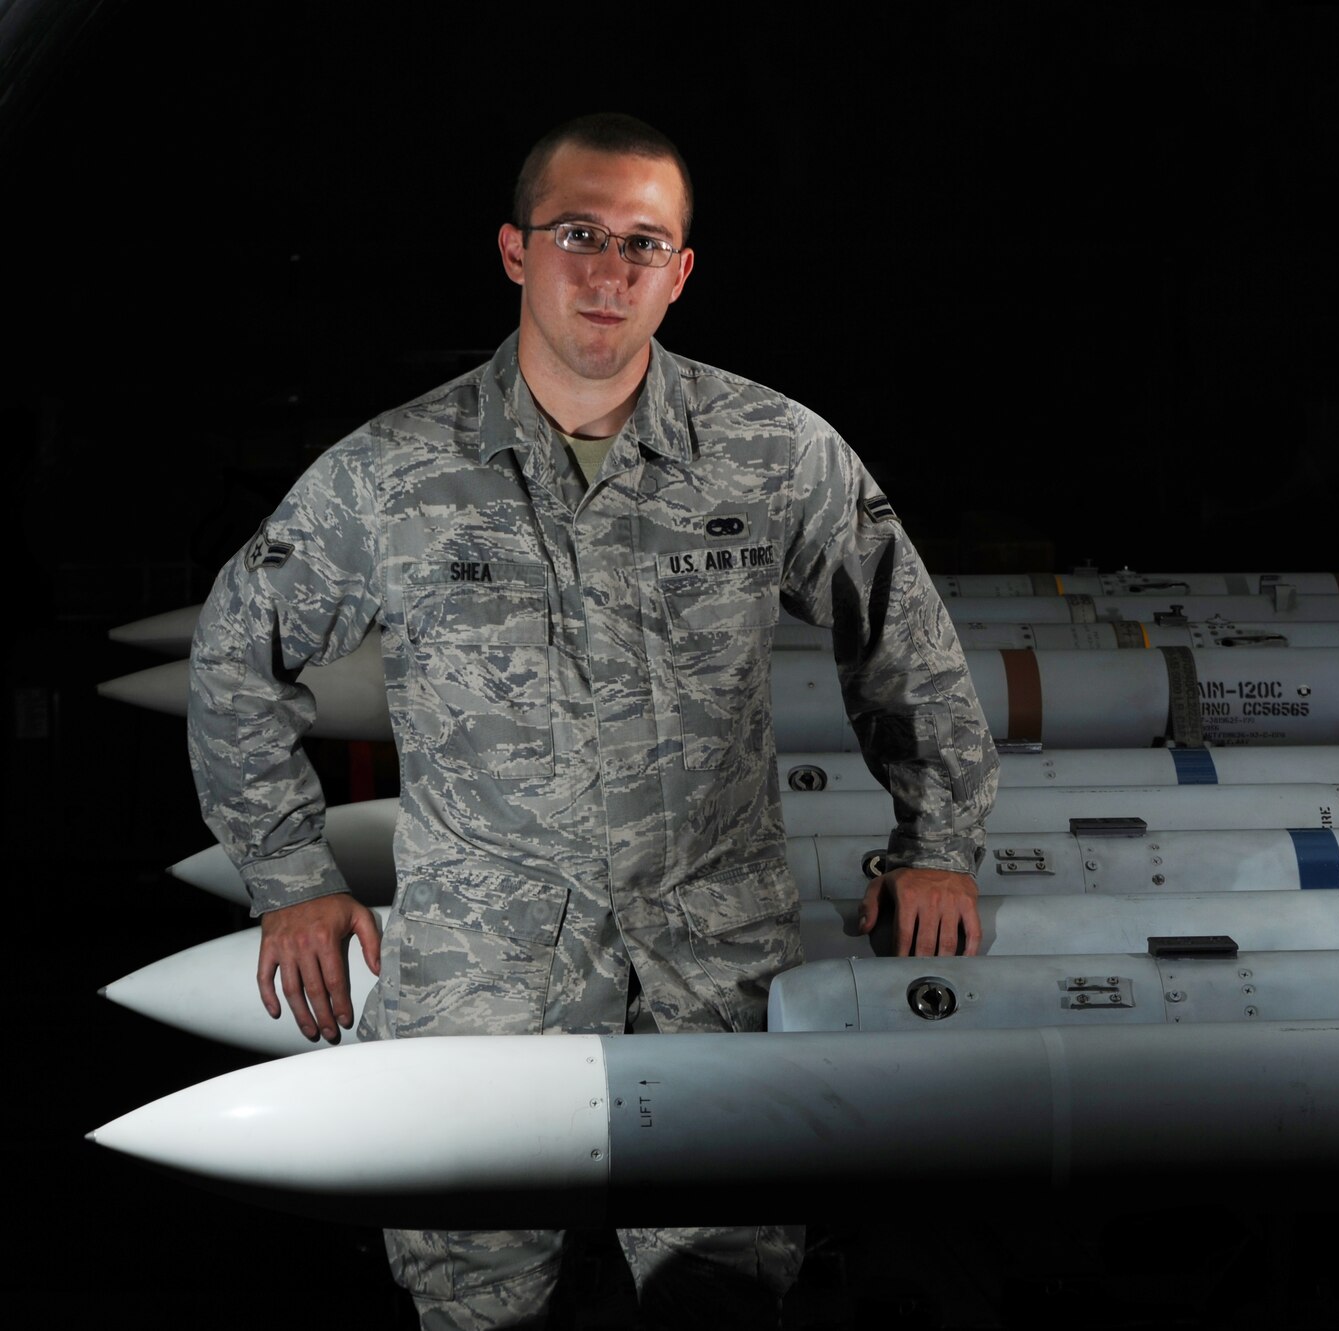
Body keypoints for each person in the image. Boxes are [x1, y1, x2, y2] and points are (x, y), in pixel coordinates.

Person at [187, 111, 998, 1328]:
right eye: (579, 234)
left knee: (719, 1284)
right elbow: (234, 658)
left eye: (641, 242)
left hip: (710, 940)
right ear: (515, 250)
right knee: (476, 1289)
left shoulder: (773, 450)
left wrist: (936, 840)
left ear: (679, 272)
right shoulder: (390, 472)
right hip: (487, 957)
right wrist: (289, 873)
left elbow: (903, 640)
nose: (608, 271)